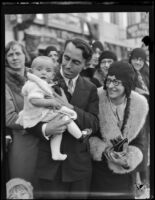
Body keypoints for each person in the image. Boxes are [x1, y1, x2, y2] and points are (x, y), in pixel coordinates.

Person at [26, 38, 99, 199]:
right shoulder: (44, 79)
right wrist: (46, 129)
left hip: (79, 168)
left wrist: (71, 107)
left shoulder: (91, 88)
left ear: (85, 64)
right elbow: (26, 119)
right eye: (66, 58)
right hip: (50, 168)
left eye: (75, 62)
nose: (67, 65)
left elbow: (94, 123)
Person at [89, 61, 149, 199]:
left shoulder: (139, 105)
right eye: (109, 80)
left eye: (116, 82)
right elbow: (86, 134)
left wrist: (128, 160)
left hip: (125, 177)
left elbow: (140, 143)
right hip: (99, 173)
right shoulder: (96, 98)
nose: (110, 86)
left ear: (127, 84)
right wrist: (105, 151)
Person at [16, 56, 90, 161]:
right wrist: (51, 101)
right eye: (39, 69)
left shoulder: (44, 84)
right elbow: (34, 100)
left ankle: (56, 153)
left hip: (42, 114)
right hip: (39, 115)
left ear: (53, 75)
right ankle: (80, 136)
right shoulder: (34, 84)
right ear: (31, 72)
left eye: (48, 70)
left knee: (58, 130)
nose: (43, 73)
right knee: (65, 119)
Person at [5, 41, 39, 185]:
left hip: (43, 141)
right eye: (10, 54)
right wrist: (40, 120)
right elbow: (9, 118)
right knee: (23, 186)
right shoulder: (5, 82)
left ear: (25, 55)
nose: (14, 57)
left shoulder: (36, 75)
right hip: (23, 143)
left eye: (18, 53)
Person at [129, 48, 150, 192]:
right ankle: (137, 185)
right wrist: (138, 92)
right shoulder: (127, 73)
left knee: (145, 149)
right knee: (136, 149)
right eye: (135, 58)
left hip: (146, 117)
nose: (138, 62)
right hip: (132, 117)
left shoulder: (146, 74)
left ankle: (143, 183)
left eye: (141, 59)